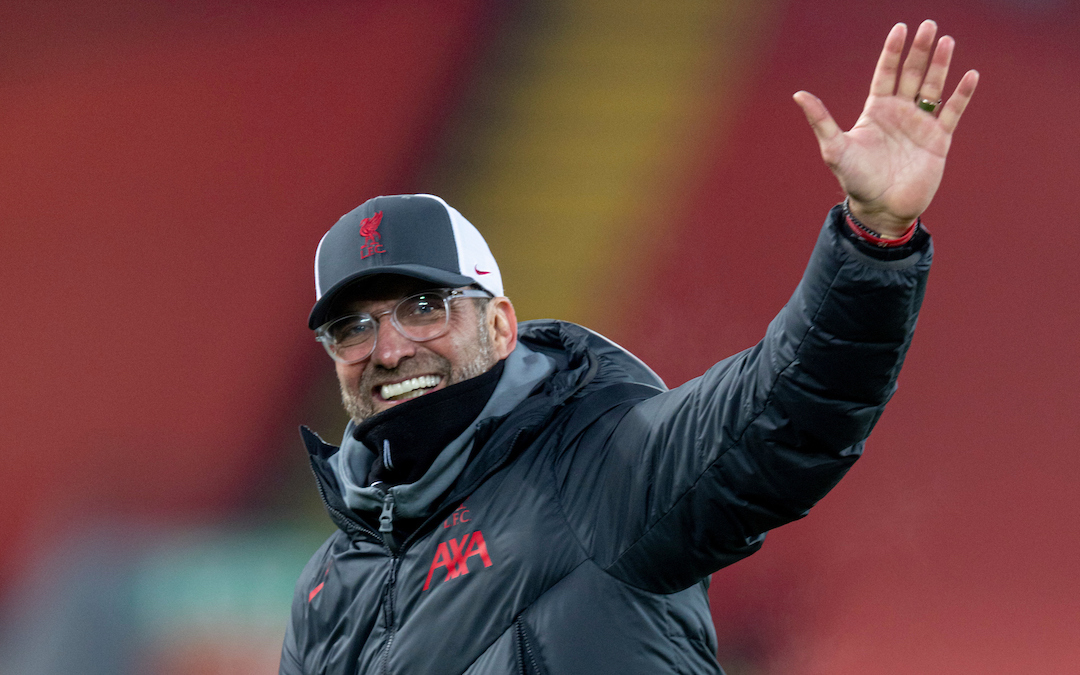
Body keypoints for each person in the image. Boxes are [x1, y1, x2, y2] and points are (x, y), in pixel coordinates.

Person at [280, 20, 978, 675]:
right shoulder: (325, 587)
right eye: (353, 327)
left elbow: (784, 412)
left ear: (500, 325)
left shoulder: (595, 464)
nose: (390, 348)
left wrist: (873, 241)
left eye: (424, 308)